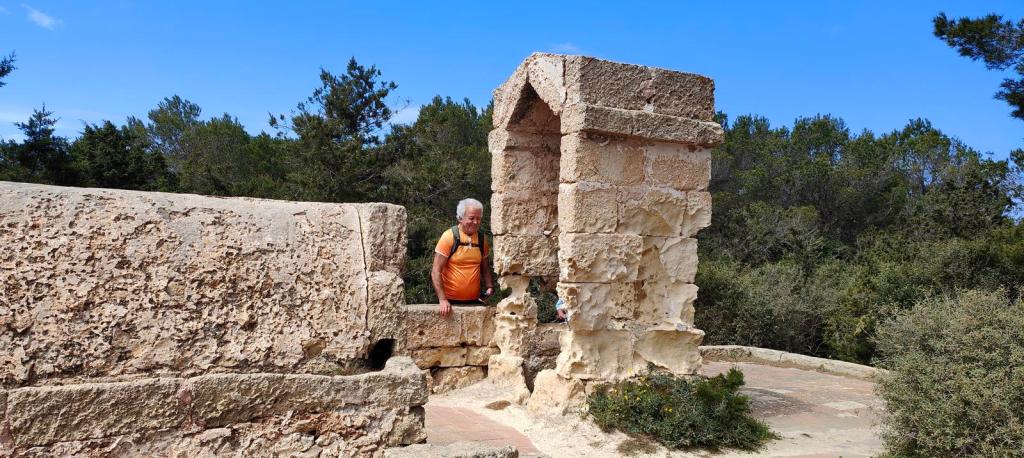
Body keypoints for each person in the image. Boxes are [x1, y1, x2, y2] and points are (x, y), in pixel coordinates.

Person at [431, 198, 494, 317]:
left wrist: (489, 287)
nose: (475, 222)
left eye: (479, 218)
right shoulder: (449, 237)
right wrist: (442, 299)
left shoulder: (481, 239)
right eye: (471, 218)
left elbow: (485, 267)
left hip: (475, 302)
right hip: (450, 303)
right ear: (460, 218)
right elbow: (436, 271)